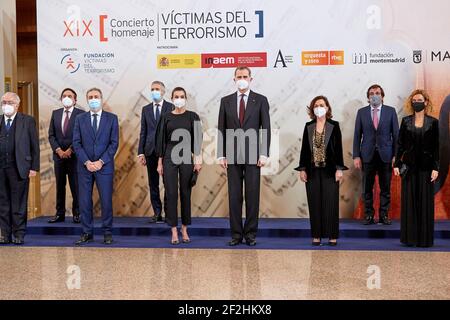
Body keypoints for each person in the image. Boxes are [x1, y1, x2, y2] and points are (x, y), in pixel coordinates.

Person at [217, 66, 271, 246]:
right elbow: (221, 129)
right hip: (232, 155)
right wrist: (220, 154)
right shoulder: (225, 101)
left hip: (254, 155)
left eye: (245, 76)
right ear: (234, 79)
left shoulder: (261, 100)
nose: (242, 79)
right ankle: (236, 234)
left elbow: (266, 128)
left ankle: (250, 234)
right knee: (234, 196)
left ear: (251, 79)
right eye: (239, 76)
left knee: (252, 195)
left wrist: (264, 153)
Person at [295, 96, 348, 246]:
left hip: (330, 170)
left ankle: (332, 236)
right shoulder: (308, 126)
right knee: (314, 203)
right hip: (312, 170)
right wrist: (302, 169)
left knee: (330, 203)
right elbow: (305, 149)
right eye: (316, 105)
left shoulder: (334, 125)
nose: (319, 107)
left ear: (327, 108)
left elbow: (338, 149)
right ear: (312, 109)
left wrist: (339, 169)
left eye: (322, 105)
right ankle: (316, 235)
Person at [156, 87, 202, 245]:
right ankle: (173, 230)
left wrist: (198, 160)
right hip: (169, 158)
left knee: (185, 193)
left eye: (182, 96)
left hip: (186, 159)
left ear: (186, 98)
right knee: (171, 193)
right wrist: (159, 162)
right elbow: (161, 141)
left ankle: (184, 228)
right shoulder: (166, 117)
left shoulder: (193, 117)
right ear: (172, 98)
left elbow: (197, 140)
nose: (179, 99)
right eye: (176, 96)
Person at [72, 88, 119, 245]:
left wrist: (100, 162)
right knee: (84, 201)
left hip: (104, 167)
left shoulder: (112, 119)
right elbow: (76, 143)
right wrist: (87, 162)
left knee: (106, 201)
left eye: (96, 97)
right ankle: (87, 233)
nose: (93, 99)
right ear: (87, 100)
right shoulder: (80, 119)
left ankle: (107, 232)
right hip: (84, 167)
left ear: (101, 98)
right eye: (90, 97)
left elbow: (114, 143)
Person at [394, 89, 439, 247]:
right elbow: (399, 144)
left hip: (427, 169)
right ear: (411, 103)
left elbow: (436, 148)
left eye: (420, 100)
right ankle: (410, 238)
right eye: (414, 100)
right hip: (409, 168)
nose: (417, 102)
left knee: (425, 203)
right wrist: (397, 164)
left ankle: (425, 239)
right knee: (410, 203)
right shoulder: (405, 121)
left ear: (426, 102)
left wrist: (436, 168)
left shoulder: (433, 122)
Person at [353, 84, 399, 225]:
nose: (375, 95)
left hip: (386, 155)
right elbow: (357, 135)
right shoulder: (361, 112)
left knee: (385, 188)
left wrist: (395, 156)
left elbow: (396, 135)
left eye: (378, 93)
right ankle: (369, 215)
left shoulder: (391, 111)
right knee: (367, 188)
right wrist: (356, 155)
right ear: (368, 97)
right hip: (367, 155)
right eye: (372, 93)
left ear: (382, 96)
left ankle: (384, 215)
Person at [0, 92, 39, 245]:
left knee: (18, 202)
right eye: (4, 102)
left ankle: (19, 233)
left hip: (19, 167)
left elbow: (34, 145)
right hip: (1, 168)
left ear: (17, 105)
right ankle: (5, 233)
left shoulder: (27, 121)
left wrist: (34, 167)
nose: (6, 105)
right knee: (3, 203)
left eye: (9, 102)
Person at [138, 81, 173, 223]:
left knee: (168, 183)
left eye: (157, 89)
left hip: (166, 151)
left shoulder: (170, 106)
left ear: (163, 91)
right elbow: (143, 131)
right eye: (152, 89)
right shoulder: (145, 109)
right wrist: (141, 152)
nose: (154, 91)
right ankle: (157, 212)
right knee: (153, 183)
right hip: (150, 151)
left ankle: (168, 212)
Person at [47, 88, 84, 224]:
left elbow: (81, 135)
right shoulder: (55, 114)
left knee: (75, 186)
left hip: (74, 157)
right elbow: (51, 135)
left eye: (70, 96)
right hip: (59, 157)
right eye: (64, 96)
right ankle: (59, 214)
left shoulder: (81, 114)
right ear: (61, 99)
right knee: (59, 186)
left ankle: (77, 213)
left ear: (75, 100)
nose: (66, 98)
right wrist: (58, 150)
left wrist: (70, 150)